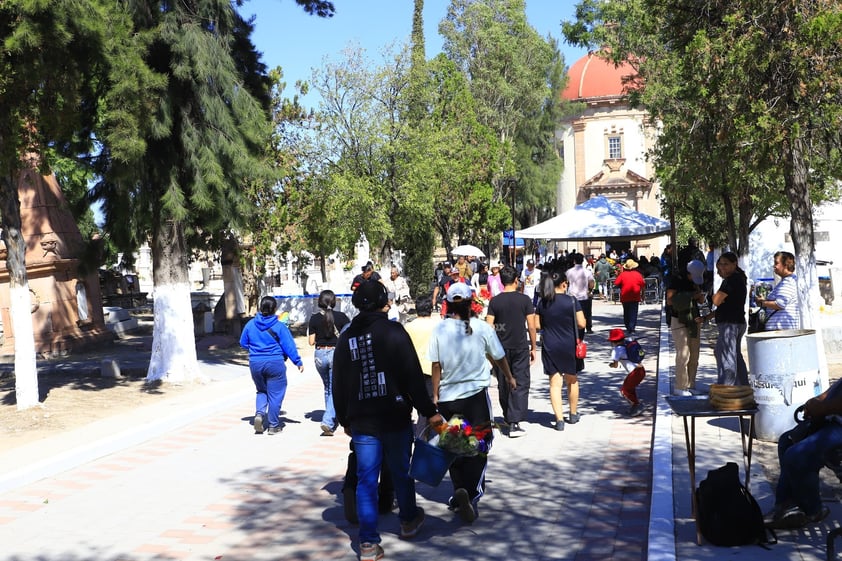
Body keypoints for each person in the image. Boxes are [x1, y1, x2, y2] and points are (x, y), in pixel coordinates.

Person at [332, 280, 444, 560]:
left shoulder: (347, 338)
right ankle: (408, 520)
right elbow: (412, 377)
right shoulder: (394, 332)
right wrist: (429, 411)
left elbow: (339, 382)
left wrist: (343, 417)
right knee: (400, 471)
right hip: (394, 416)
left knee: (366, 479)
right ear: (384, 302)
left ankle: (368, 543)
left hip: (362, 421)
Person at [429, 282, 516, 523]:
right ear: (472, 302)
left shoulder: (439, 330)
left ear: (447, 304)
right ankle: (471, 492)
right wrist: (508, 377)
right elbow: (498, 356)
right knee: (480, 443)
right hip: (475, 397)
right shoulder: (481, 327)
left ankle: (459, 494)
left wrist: (435, 394)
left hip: (447, 398)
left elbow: (435, 365)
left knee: (454, 444)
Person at [764, 380, 842, 529]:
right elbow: (832, 391)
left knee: (797, 455)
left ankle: (812, 510)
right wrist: (815, 402)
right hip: (833, 422)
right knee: (787, 441)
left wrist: (822, 407)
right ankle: (786, 504)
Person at [240, 296, 304, 435]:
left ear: (260, 307)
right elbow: (289, 346)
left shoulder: (250, 324)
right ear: (274, 309)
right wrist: (297, 361)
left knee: (261, 390)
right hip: (275, 363)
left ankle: (259, 414)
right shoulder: (279, 326)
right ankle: (273, 426)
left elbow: (243, 342)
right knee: (275, 394)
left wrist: (256, 349)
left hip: (255, 363)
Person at [485, 265, 537, 437]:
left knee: (504, 382)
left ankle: (509, 416)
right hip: (520, 346)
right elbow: (531, 325)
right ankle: (514, 421)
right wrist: (534, 347)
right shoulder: (525, 300)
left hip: (500, 349)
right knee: (520, 382)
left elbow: (489, 327)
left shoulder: (495, 301)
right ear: (516, 280)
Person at [535, 268, 586, 431]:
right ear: (564, 284)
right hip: (570, 345)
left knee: (555, 384)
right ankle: (572, 413)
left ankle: (559, 420)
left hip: (550, 345)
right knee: (572, 380)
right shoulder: (572, 301)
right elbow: (582, 323)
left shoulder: (542, 302)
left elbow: (536, 325)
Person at [307, 290, 351, 436]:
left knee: (328, 388)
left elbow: (311, 341)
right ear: (334, 301)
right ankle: (328, 421)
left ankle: (331, 419)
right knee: (334, 387)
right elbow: (348, 336)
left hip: (319, 354)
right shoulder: (342, 317)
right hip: (335, 353)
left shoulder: (313, 318)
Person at [703, 251, 749, 386]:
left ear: (734, 264)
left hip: (730, 324)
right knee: (731, 353)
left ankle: (726, 388)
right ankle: (742, 387)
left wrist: (713, 297)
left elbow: (716, 301)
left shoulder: (731, 280)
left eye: (726, 264)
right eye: (720, 265)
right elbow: (722, 306)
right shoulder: (736, 279)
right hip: (736, 321)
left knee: (727, 357)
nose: (722, 267)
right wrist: (706, 317)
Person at [666, 260, 706, 396]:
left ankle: (691, 384)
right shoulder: (676, 280)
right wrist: (689, 297)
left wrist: (700, 297)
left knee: (694, 354)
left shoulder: (696, 282)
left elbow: (700, 299)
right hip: (679, 319)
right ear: (688, 273)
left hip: (694, 319)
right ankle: (680, 386)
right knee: (683, 354)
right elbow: (670, 300)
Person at [756, 251, 799, 331]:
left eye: (776, 263)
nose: (774, 266)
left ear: (785, 265)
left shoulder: (788, 282)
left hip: (781, 331)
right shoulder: (787, 281)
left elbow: (780, 304)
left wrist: (762, 303)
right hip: (779, 331)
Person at [607, 328, 645, 416]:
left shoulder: (616, 351)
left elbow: (615, 365)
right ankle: (635, 405)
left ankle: (637, 405)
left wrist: (611, 365)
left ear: (613, 341)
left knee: (624, 390)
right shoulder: (628, 344)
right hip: (641, 370)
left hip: (634, 373)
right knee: (630, 388)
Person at [613, 259, 646, 334]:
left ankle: (628, 326)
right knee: (633, 312)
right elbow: (643, 285)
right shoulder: (638, 274)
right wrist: (643, 294)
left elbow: (616, 283)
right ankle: (632, 327)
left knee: (626, 312)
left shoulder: (622, 275)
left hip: (625, 296)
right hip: (635, 296)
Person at [566, 253, 595, 334]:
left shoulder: (569, 272)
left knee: (573, 314)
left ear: (574, 261)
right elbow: (592, 283)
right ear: (582, 261)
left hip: (572, 296)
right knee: (587, 313)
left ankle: (574, 329)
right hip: (584, 296)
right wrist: (589, 290)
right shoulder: (587, 272)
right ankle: (588, 328)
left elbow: (566, 283)